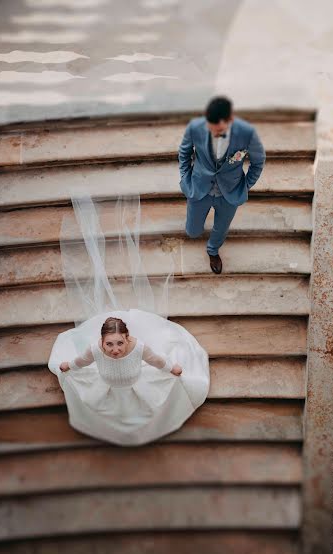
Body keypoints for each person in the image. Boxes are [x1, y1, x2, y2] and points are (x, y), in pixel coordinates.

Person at [48, 194, 210, 446]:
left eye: (119, 343)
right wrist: (69, 366)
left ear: (127, 338)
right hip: (108, 388)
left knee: (151, 404)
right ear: (102, 341)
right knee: (101, 406)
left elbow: (157, 360)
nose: (114, 349)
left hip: (136, 385)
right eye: (109, 344)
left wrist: (172, 369)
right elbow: (81, 361)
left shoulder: (138, 349)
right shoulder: (97, 350)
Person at [178, 95, 266, 274]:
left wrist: (245, 185)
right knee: (193, 231)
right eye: (211, 130)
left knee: (222, 227)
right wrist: (185, 178)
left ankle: (213, 250)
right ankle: (196, 230)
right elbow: (184, 153)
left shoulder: (247, 132)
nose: (214, 134)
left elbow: (258, 161)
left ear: (230, 120)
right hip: (199, 187)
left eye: (218, 131)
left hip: (230, 192)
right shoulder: (195, 127)